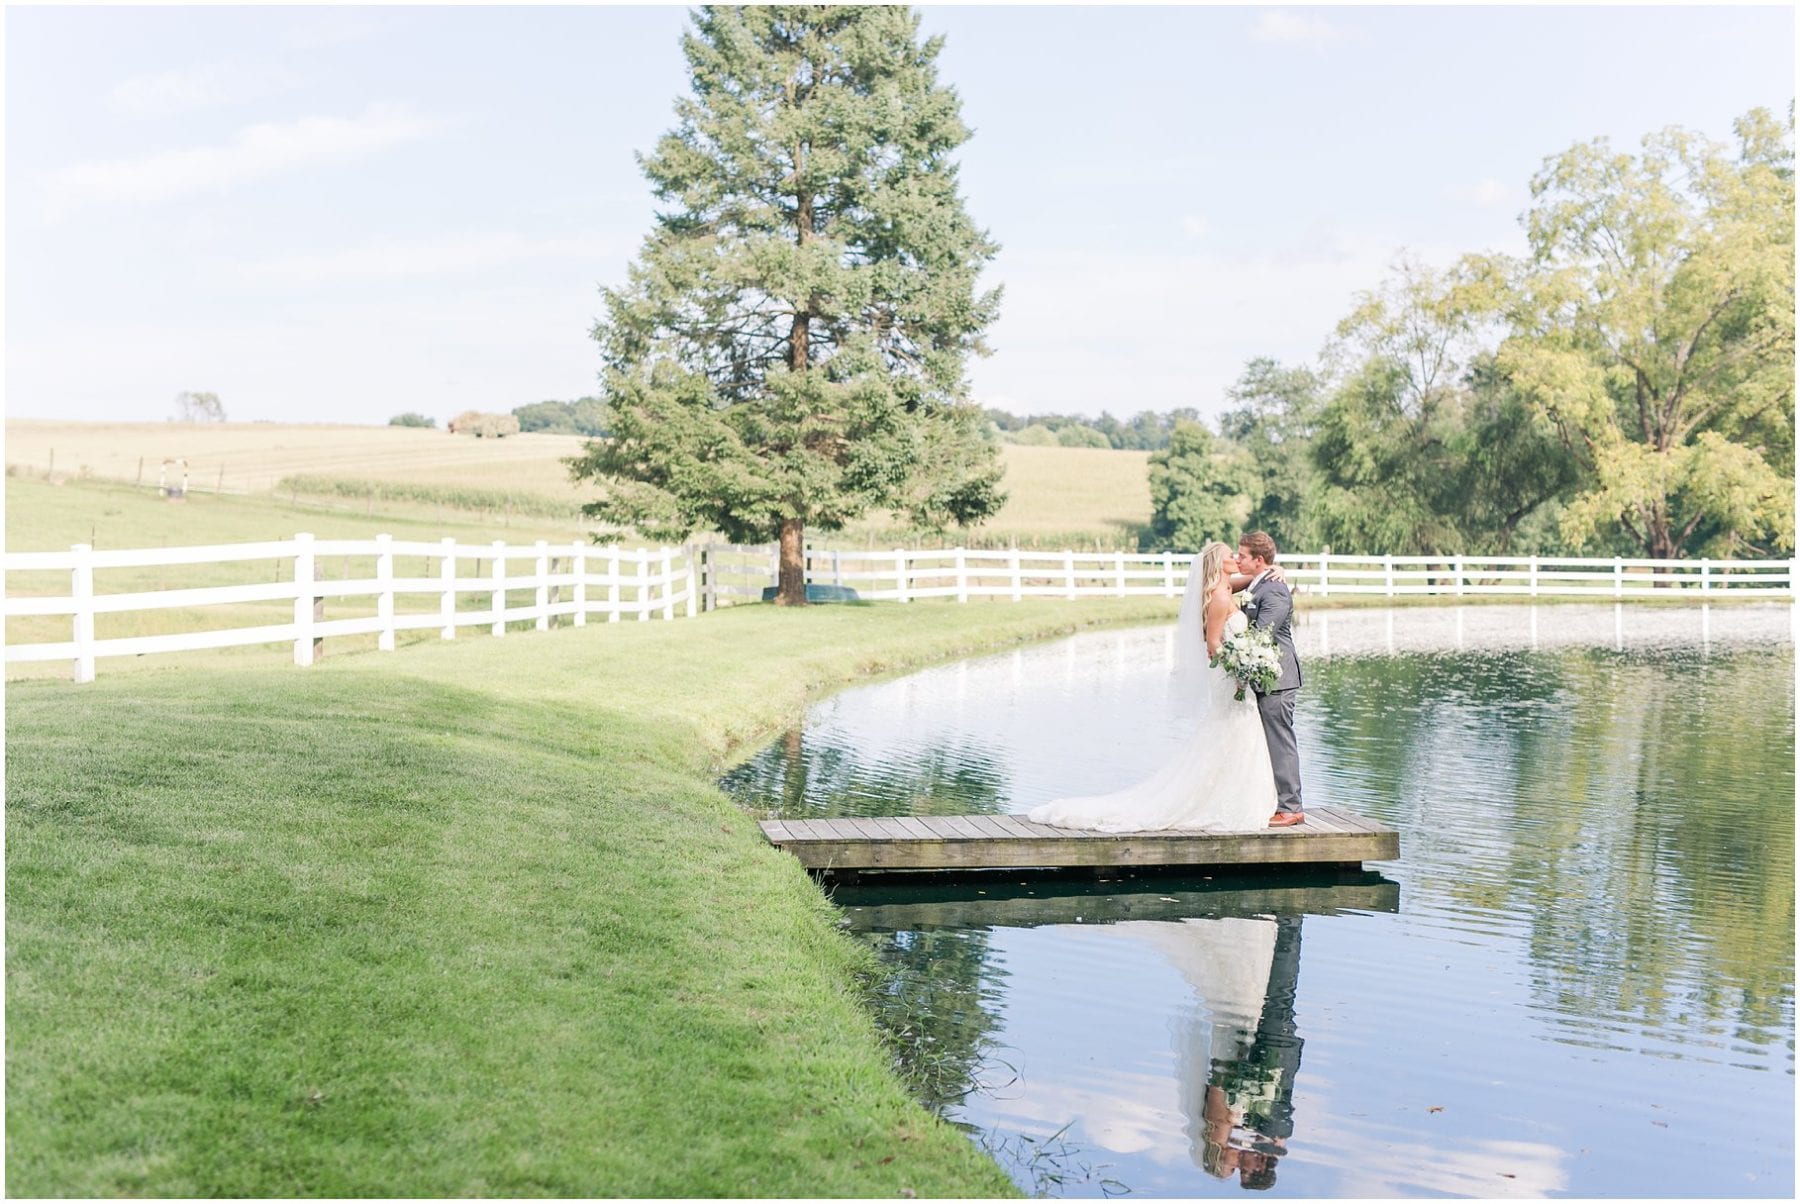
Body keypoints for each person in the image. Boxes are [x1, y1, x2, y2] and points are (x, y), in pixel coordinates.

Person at [1027, 541, 1275, 832]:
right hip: (1230, 677)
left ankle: (1230, 797)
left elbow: (1254, 578)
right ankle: (1224, 802)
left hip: (1232, 677)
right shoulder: (1220, 598)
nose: (1234, 557)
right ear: (1217, 564)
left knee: (1234, 733)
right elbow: (1212, 645)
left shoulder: (1223, 589)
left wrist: (1274, 568)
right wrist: (1240, 667)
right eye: (1228, 556)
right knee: (1234, 730)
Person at [1235, 532, 1305, 827]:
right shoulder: (1258, 584)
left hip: (1277, 679)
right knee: (1269, 741)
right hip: (1264, 678)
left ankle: (1291, 807)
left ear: (1258, 560)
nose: (1238, 559)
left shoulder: (1273, 590)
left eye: (1242, 556)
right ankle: (1276, 802)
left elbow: (1261, 636)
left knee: (1280, 741)